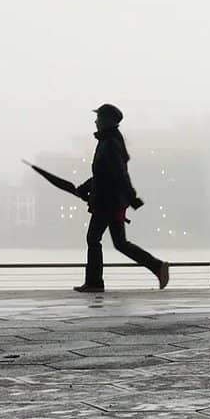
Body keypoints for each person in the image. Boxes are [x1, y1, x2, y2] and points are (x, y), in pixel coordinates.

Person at [73, 104, 170, 293]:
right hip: (111, 201)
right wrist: (84, 188)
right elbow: (104, 175)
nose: (95, 121)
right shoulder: (109, 142)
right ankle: (157, 267)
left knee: (93, 239)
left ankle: (94, 282)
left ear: (106, 121)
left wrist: (132, 197)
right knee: (120, 243)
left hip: (108, 202)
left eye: (98, 118)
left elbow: (119, 174)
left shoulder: (109, 144)